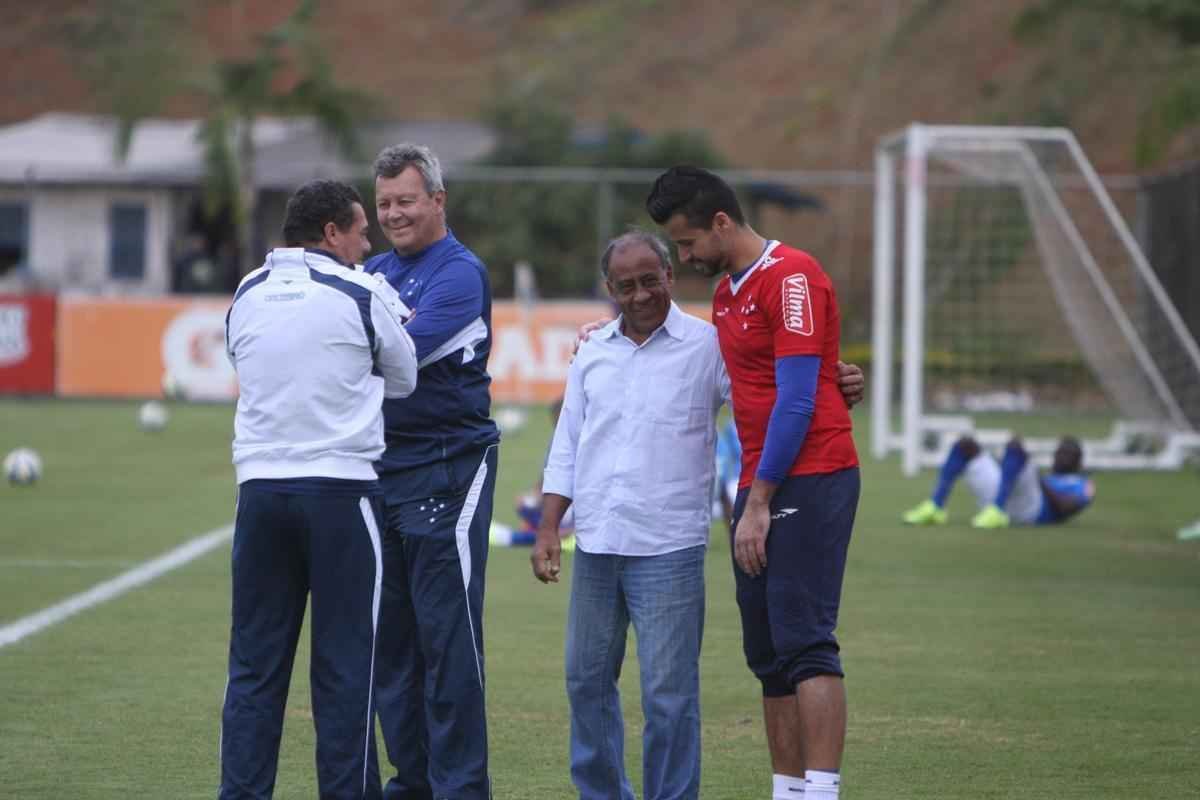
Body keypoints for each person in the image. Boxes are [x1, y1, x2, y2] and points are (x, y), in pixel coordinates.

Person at [533, 231, 864, 800]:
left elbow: (772, 389)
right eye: (626, 285)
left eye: (650, 280)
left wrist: (836, 381)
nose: (640, 295)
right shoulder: (591, 351)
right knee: (586, 683)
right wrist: (548, 525)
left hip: (669, 546)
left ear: (671, 277)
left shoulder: (709, 346)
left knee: (669, 698)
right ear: (609, 289)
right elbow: (569, 441)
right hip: (596, 544)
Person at [646, 166, 860, 800]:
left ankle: (821, 793)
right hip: (761, 484)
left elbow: (796, 402)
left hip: (810, 477)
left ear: (721, 222)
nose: (684, 258)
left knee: (806, 644)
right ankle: (788, 791)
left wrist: (759, 500)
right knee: (767, 655)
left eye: (687, 244)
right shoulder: (728, 292)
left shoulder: (790, 276)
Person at [220, 179, 418, 800]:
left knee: (254, 668)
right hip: (340, 494)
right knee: (343, 669)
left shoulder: (247, 291)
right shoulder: (359, 289)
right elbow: (406, 375)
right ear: (332, 233)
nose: (369, 242)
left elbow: (241, 358)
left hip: (259, 494)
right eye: (361, 230)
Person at [364, 143, 500, 800]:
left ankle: (461, 790)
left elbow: (398, 356)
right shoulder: (373, 270)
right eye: (384, 202)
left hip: (448, 468)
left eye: (406, 201)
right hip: (381, 472)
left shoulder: (459, 274)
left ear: (438, 201)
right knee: (392, 646)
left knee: (447, 643)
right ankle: (410, 785)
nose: (393, 213)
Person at [902, 435, 1095, 529]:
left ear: (1079, 461)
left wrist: (1038, 479)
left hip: (1032, 512)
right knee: (966, 445)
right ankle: (936, 507)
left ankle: (998, 512)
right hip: (1004, 498)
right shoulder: (1045, 477)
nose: (1063, 458)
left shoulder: (1083, 484)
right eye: (1060, 453)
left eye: (1070, 455)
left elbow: (1065, 508)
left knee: (1015, 446)